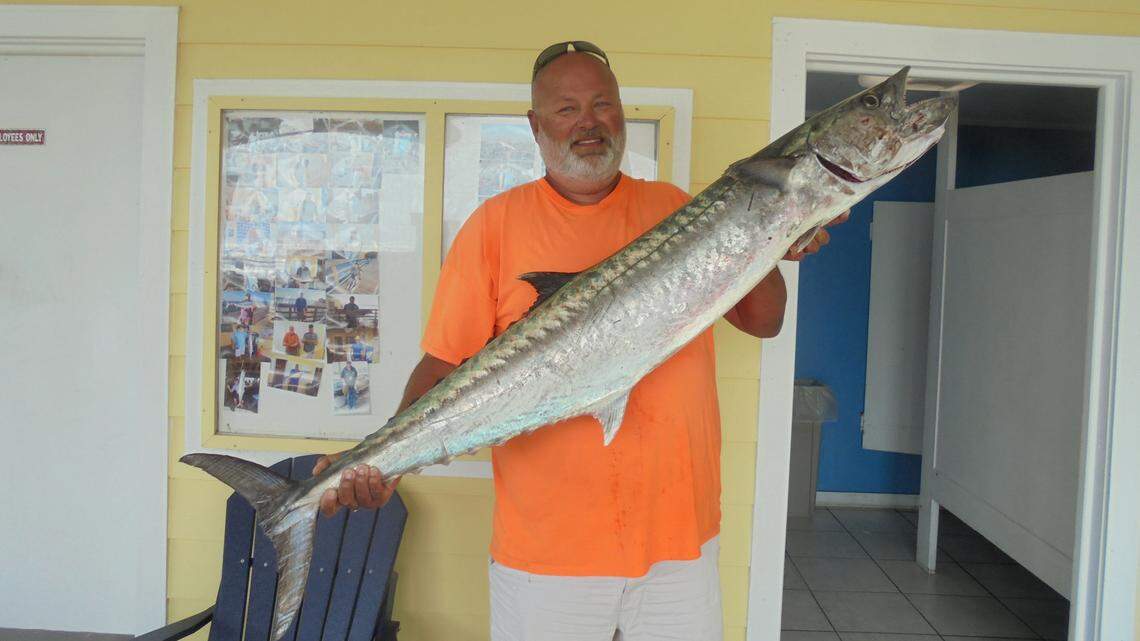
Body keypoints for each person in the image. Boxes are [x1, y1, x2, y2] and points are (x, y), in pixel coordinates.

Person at [312, 41, 845, 641]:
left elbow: (762, 321)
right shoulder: (493, 225)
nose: (588, 123)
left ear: (621, 113)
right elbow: (444, 364)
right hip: (547, 551)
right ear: (535, 126)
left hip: (679, 536)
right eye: (566, 110)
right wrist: (382, 463)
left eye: (602, 104)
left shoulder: (673, 207)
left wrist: (776, 234)